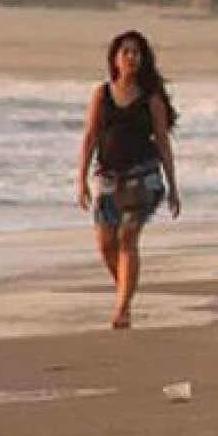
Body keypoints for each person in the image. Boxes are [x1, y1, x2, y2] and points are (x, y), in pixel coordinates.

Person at [76, 31, 181, 329]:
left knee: (127, 238)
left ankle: (121, 308)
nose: (131, 58)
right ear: (115, 59)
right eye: (126, 52)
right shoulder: (101, 94)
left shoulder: (151, 99)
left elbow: (162, 141)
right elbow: (90, 136)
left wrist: (173, 186)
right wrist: (80, 178)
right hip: (107, 178)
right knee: (106, 245)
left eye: (136, 53)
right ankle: (125, 289)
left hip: (143, 177)